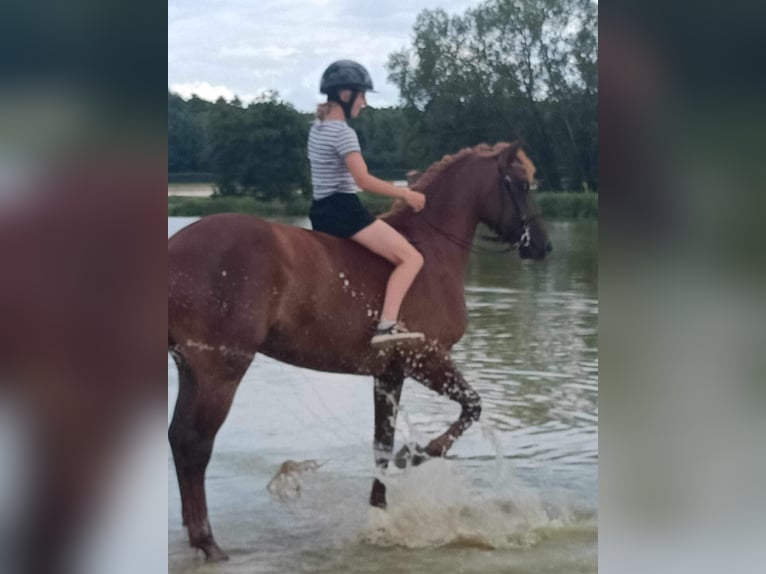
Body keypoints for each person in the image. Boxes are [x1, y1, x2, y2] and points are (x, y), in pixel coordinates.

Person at [308, 60, 427, 346]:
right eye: (361, 95)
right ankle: (387, 326)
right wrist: (405, 194)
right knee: (412, 258)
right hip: (343, 211)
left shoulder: (317, 128)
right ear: (345, 95)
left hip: (320, 210)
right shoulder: (343, 133)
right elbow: (363, 181)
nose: (364, 102)